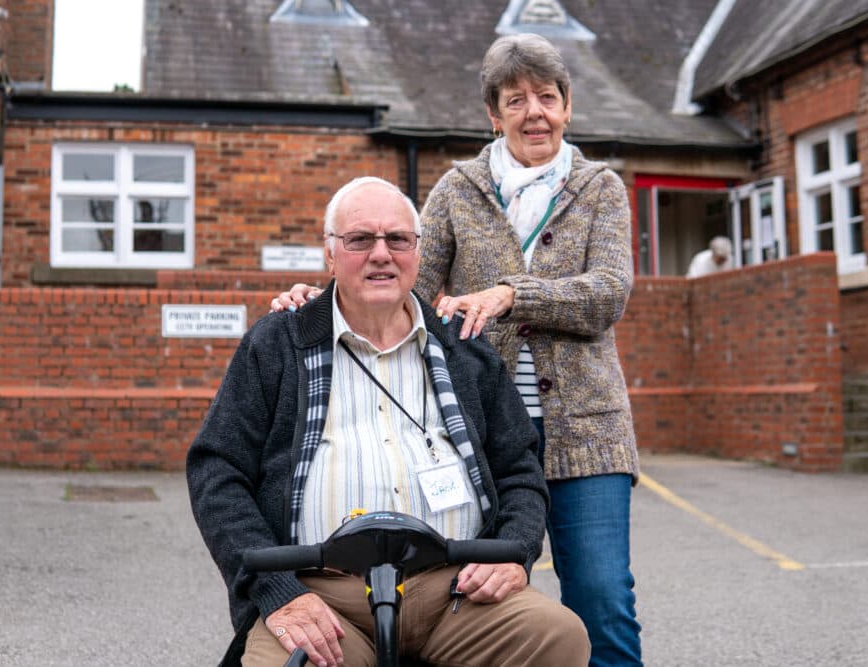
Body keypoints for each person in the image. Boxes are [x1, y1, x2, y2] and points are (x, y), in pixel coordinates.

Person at [272, 33, 643, 667]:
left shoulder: (601, 188)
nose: (534, 113)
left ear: (567, 106)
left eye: (547, 98)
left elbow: (609, 292)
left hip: (587, 433)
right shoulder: (456, 189)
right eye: (516, 100)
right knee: (478, 598)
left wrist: (510, 295)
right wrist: (324, 296)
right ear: (494, 115)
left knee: (602, 597)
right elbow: (403, 278)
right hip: (480, 429)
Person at [188, 176, 589, 667]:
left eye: (397, 239)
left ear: (417, 252)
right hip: (325, 593)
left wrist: (513, 551)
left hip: (456, 590)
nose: (381, 254)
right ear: (330, 255)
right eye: (360, 239)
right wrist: (277, 590)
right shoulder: (278, 343)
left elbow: (519, 467)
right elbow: (217, 472)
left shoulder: (462, 346)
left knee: (558, 636)